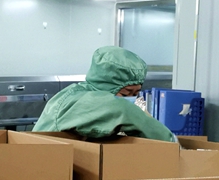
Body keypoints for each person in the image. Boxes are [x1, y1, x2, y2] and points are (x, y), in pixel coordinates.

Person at [33, 46, 177, 142]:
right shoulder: (78, 100)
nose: (131, 99)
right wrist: (171, 142)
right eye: (126, 94)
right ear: (107, 86)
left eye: (136, 93)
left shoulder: (96, 98)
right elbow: (122, 110)